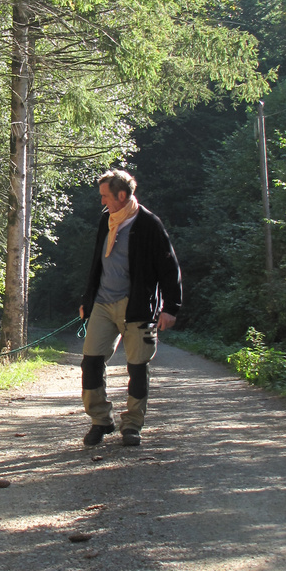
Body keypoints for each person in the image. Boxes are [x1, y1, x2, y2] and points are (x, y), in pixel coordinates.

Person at [78, 168, 182, 447]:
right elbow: (97, 263)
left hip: (138, 307)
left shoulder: (149, 224)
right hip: (102, 303)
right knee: (91, 362)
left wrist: (170, 307)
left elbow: (169, 268)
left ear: (122, 195)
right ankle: (100, 420)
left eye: (105, 196)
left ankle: (132, 425)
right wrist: (88, 301)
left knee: (137, 366)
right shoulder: (106, 220)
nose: (102, 202)